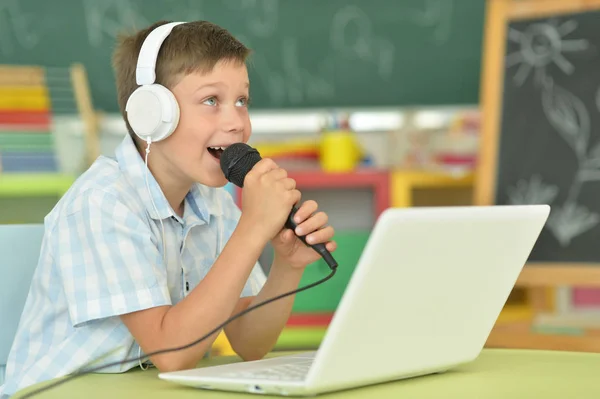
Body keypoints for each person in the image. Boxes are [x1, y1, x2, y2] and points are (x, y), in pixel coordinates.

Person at [0, 20, 336, 397]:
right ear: (151, 114)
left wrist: (287, 266)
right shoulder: (103, 202)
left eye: (242, 101)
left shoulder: (215, 204)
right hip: (59, 391)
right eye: (212, 101)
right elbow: (171, 352)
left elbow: (249, 342)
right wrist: (253, 229)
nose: (236, 122)